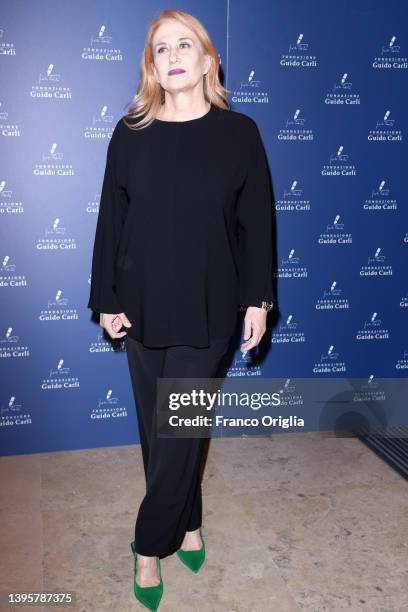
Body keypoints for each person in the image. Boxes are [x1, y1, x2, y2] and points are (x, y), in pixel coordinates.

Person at [87, 8, 275, 610]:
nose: (172, 54)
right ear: (153, 66)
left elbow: (257, 226)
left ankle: (148, 545)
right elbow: (110, 222)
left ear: (207, 60)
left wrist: (258, 300)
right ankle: (189, 522)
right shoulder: (130, 132)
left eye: (184, 44)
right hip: (140, 307)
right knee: (160, 432)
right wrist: (104, 299)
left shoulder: (239, 133)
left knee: (178, 429)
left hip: (210, 308)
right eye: (160, 47)